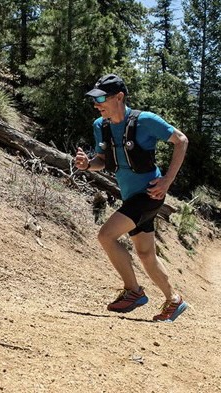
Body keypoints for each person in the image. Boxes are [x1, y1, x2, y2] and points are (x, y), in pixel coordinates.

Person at [75, 73, 189, 322]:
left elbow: (181, 140)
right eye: (94, 101)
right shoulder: (100, 126)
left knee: (106, 235)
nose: (97, 105)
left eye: (101, 99)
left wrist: (167, 181)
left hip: (149, 193)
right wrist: (86, 165)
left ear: (119, 97)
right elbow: (103, 162)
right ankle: (174, 300)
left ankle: (134, 291)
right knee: (146, 254)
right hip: (131, 197)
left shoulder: (145, 121)